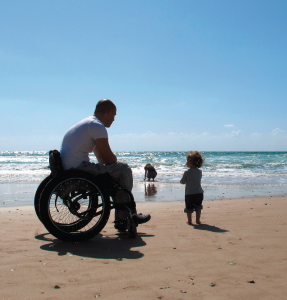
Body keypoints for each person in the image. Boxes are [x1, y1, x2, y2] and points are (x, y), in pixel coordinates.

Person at [60, 99, 151, 230]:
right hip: (79, 170)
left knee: (115, 171)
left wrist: (110, 167)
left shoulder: (87, 123)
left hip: (71, 169)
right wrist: (114, 162)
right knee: (124, 169)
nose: (114, 119)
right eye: (114, 115)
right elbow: (109, 159)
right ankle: (127, 216)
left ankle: (124, 216)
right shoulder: (97, 126)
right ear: (109, 113)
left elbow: (100, 158)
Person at [180, 151, 204, 225]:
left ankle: (190, 221)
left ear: (191, 162)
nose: (186, 162)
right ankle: (198, 220)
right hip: (199, 193)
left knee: (189, 208)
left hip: (189, 193)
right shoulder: (199, 172)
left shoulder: (187, 172)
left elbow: (182, 182)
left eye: (187, 160)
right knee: (198, 207)